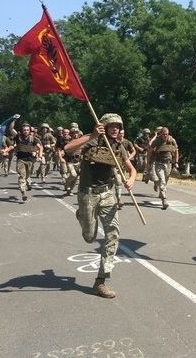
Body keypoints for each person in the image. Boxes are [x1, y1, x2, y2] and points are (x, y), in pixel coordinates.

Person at [64, 113, 137, 299]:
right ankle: (81, 215)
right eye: (112, 125)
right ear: (103, 126)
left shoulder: (119, 147)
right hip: (87, 194)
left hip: (107, 194)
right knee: (89, 237)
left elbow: (131, 168)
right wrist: (92, 136)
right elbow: (68, 148)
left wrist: (132, 179)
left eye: (118, 126)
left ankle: (101, 282)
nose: (115, 129)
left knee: (113, 235)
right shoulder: (91, 141)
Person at [9, 121, 43, 201]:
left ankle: (27, 184)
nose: (26, 131)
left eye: (27, 130)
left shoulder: (33, 138)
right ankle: (23, 192)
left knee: (28, 175)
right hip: (21, 160)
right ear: (22, 130)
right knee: (22, 176)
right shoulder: (18, 137)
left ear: (30, 131)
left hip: (30, 160)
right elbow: (11, 129)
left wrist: (39, 156)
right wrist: (13, 120)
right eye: (24, 130)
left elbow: (40, 147)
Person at [148, 126, 179, 210]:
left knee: (165, 180)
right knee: (162, 180)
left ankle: (161, 191)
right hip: (159, 163)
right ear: (161, 134)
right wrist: (148, 162)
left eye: (167, 134)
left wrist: (176, 162)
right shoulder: (156, 141)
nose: (165, 136)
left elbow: (176, 151)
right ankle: (164, 200)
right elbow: (150, 151)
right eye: (164, 134)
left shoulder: (172, 140)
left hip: (168, 164)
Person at [114, 129, 136, 208]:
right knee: (118, 182)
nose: (121, 135)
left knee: (121, 182)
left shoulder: (127, 142)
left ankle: (118, 199)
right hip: (114, 166)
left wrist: (129, 158)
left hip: (123, 165)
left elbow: (134, 151)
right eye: (120, 133)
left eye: (123, 134)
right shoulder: (113, 142)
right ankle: (119, 199)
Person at [63, 127, 81, 196]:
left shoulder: (80, 141)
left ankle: (69, 191)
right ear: (71, 134)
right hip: (70, 161)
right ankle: (67, 182)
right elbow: (62, 149)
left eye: (77, 133)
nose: (75, 134)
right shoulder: (67, 141)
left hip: (78, 161)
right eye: (74, 133)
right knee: (73, 174)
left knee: (75, 178)